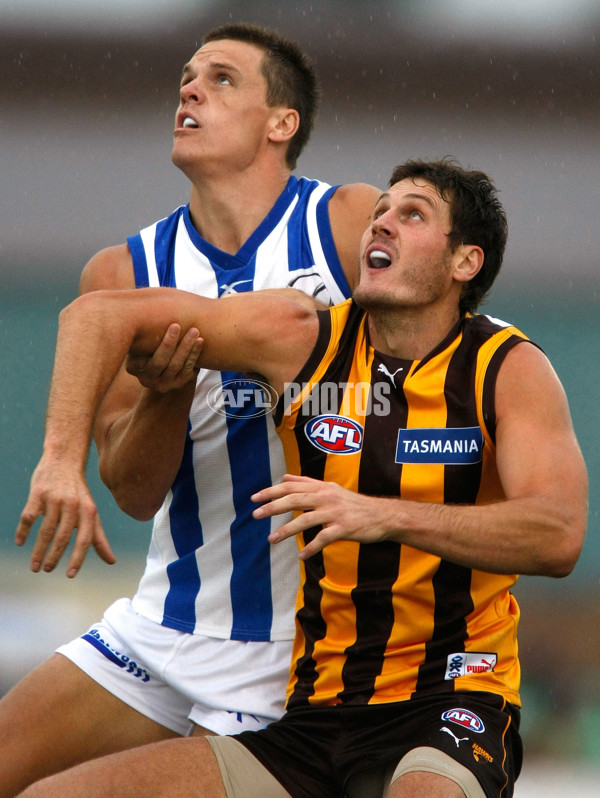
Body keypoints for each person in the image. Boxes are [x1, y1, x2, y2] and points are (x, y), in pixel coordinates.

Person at [16, 159, 587, 798]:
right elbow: (95, 315)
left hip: (450, 697)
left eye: (413, 214)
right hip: (309, 714)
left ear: (465, 263)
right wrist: (62, 462)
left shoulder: (507, 367)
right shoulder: (301, 338)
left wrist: (384, 512)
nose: (384, 223)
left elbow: (559, 534)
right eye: (382, 212)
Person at [0, 22, 380, 797]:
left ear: (283, 123)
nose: (190, 89)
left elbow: (446, 369)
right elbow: (136, 492)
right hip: (165, 626)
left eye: (222, 78)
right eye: (186, 76)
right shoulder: (124, 269)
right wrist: (162, 400)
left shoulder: (345, 223)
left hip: (304, 646)